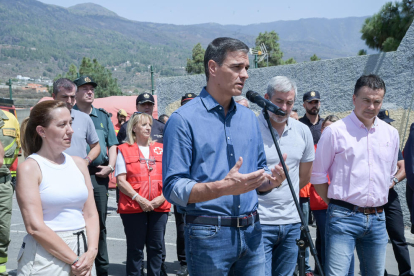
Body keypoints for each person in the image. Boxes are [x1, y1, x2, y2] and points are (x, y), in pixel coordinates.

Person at [162, 37, 287, 276]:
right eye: (237, 67)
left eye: (247, 68)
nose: (245, 75)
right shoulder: (183, 120)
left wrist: (270, 182)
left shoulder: (250, 118)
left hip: (253, 232)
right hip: (208, 234)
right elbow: (173, 188)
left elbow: (257, 173)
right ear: (213, 68)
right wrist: (222, 187)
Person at [311, 74, 399, 275]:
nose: (371, 106)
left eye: (377, 102)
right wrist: (337, 204)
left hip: (377, 219)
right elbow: (317, 176)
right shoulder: (335, 132)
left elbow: (389, 172)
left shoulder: (390, 134)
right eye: (366, 100)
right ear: (353, 99)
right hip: (343, 218)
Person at [16, 100, 99, 276]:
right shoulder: (30, 168)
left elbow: (91, 214)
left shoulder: (79, 164)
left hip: (83, 250)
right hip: (46, 257)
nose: (70, 130)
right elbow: (34, 227)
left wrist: (91, 252)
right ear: (42, 131)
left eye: (70, 123)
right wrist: (75, 260)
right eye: (62, 125)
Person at [257, 76, 314, 276]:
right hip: (259, 222)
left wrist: (281, 187)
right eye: (278, 101)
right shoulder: (252, 129)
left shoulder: (303, 131)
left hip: (291, 222)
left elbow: (304, 177)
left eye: (289, 103)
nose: (284, 107)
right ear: (265, 98)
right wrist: (269, 185)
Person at [74, 76, 118, 276]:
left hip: (98, 175)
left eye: (91, 88)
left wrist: (111, 166)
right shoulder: (69, 116)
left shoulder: (103, 117)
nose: (90, 92)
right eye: (85, 88)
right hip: (73, 175)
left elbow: (113, 145)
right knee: (75, 222)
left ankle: (102, 270)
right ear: (75, 93)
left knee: (98, 224)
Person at [116, 112, 170, 276]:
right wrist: (139, 199)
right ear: (133, 128)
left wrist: (163, 197)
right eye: (144, 125)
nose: (148, 128)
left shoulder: (161, 149)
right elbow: (121, 180)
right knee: (135, 248)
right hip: (134, 206)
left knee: (156, 247)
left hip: (159, 206)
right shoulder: (124, 150)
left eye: (149, 125)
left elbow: (171, 176)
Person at [309, 115, 355, 276]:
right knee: (327, 243)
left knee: (335, 244)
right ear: (322, 130)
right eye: (327, 128)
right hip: (321, 203)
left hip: (339, 204)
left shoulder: (344, 148)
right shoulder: (316, 148)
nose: (331, 131)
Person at [377, 109, 414, 276]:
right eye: (385, 122)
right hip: (369, 197)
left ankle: (406, 272)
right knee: (375, 238)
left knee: (398, 237)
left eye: (389, 122)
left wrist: (393, 182)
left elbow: (404, 167)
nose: (388, 125)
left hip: (389, 195)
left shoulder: (393, 142)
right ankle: (378, 272)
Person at [52, 78, 101, 164]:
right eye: (65, 97)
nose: (69, 101)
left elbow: (96, 146)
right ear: (54, 96)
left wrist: (86, 161)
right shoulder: (45, 119)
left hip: (79, 173)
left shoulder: (84, 118)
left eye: (72, 97)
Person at [0, 108, 20, 276]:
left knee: (3, 230)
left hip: (3, 184)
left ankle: (1, 268)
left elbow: (17, 151)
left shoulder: (10, 119)